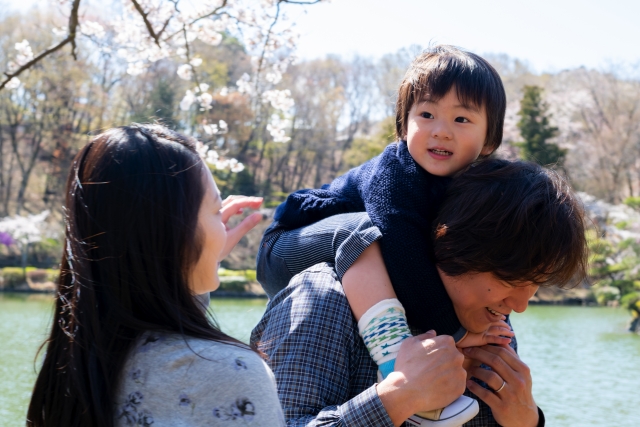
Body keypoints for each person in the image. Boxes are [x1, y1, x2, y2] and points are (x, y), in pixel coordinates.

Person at [257, 45, 511, 424]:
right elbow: (402, 249)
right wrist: (455, 333)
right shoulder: (395, 172)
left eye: (461, 119)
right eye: (426, 114)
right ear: (403, 124)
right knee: (361, 231)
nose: (440, 130)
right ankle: (396, 357)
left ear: (489, 139)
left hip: (353, 250)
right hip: (290, 245)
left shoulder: (468, 193)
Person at [251, 159, 588, 427]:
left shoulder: (493, 323)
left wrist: (526, 421)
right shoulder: (323, 298)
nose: (520, 305)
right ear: (454, 245)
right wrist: (396, 399)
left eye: (535, 285)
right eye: (510, 280)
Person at [27, 124, 285, 427]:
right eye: (216, 211)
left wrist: (189, 263)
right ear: (173, 235)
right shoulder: (229, 373)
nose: (223, 226)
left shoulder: (72, 365)